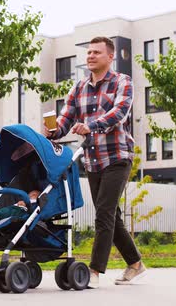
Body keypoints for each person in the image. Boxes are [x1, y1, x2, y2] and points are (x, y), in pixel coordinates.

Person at [43, 36, 145, 288]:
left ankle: (95, 271)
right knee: (111, 215)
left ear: (110, 57)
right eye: (88, 52)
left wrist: (90, 126)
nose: (90, 56)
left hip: (118, 156)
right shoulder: (78, 88)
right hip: (92, 160)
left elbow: (119, 113)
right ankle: (136, 264)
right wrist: (53, 131)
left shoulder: (123, 82)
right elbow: (66, 118)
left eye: (96, 52)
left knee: (104, 212)